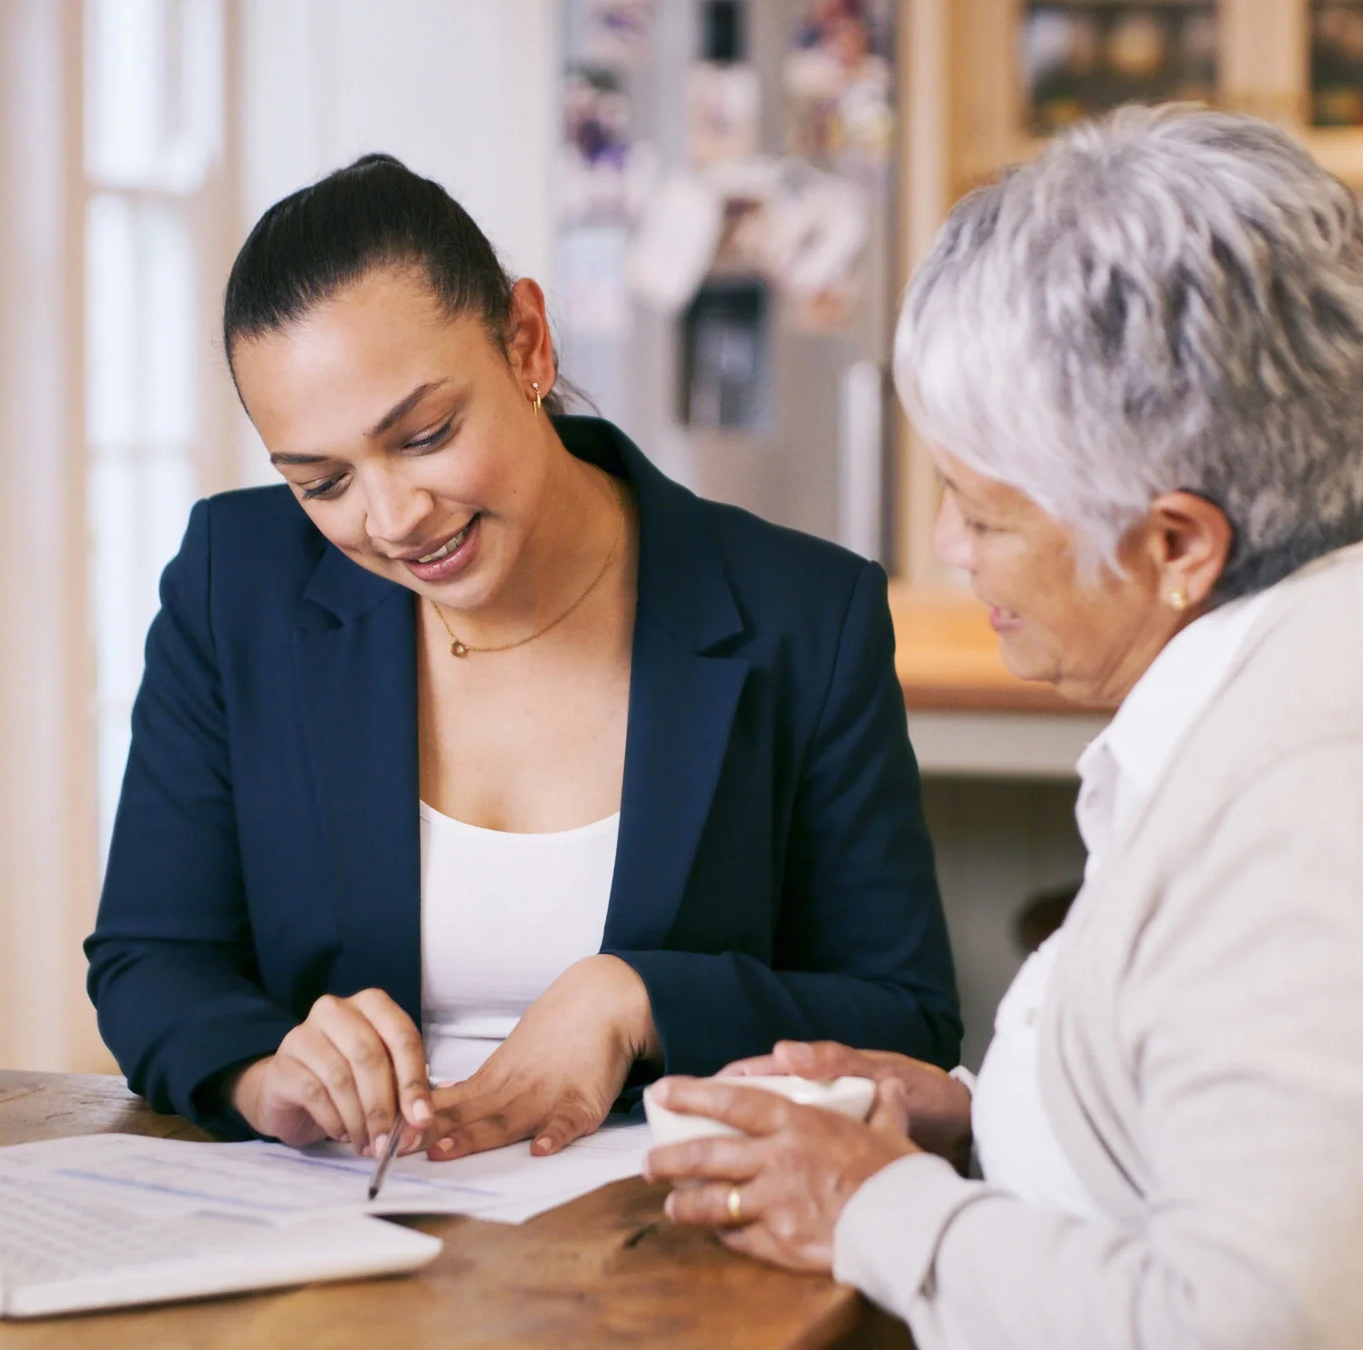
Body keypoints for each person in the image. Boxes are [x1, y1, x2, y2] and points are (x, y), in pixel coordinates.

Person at [645, 107, 1363, 1348]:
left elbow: (1254, 1326)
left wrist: (875, 1208)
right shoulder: (1354, 605)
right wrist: (976, 1113)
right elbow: (1234, 1103)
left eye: (983, 512)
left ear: (1176, 545)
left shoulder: (1327, 797)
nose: (952, 553)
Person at [86, 154, 960, 1166]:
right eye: (322, 483)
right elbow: (151, 958)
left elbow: (908, 1020)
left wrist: (637, 998)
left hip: (664, 1243)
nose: (393, 519)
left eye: (425, 435)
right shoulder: (232, 583)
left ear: (527, 343)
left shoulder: (802, 615)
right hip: (343, 1237)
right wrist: (265, 1073)